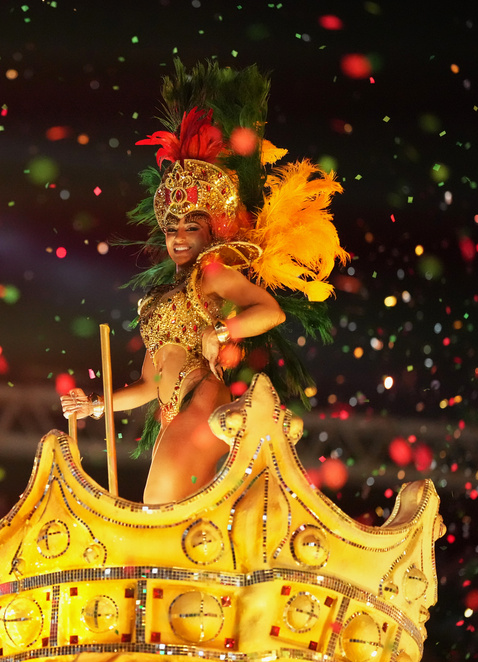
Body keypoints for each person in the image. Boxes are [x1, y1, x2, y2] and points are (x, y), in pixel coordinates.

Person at [61, 60, 347, 505]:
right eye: (172, 228)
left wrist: (222, 332)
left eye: (191, 227)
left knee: (159, 506)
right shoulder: (156, 302)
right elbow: (149, 386)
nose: (179, 237)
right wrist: (95, 405)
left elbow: (270, 311)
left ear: (210, 232)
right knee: (166, 516)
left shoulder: (211, 273)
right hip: (173, 411)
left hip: (204, 400)